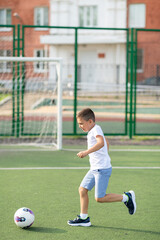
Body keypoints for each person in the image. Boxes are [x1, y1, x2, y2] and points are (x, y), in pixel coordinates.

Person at [67, 108, 136, 227]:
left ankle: (127, 198)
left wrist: (86, 152)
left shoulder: (96, 129)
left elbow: (101, 143)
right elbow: (106, 143)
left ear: (90, 121)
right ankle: (84, 218)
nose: (80, 126)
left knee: (100, 198)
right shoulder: (92, 131)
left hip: (102, 169)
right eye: (78, 124)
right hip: (95, 168)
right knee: (82, 190)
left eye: (81, 123)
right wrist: (104, 156)